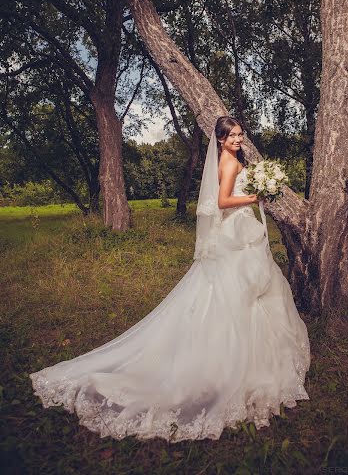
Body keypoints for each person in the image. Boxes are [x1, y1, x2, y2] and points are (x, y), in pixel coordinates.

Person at [30, 116, 310, 443]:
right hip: (237, 233)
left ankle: (251, 358)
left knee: (249, 295)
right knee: (239, 296)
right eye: (232, 135)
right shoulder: (229, 163)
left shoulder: (231, 159)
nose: (237, 139)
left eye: (239, 134)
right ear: (220, 140)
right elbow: (222, 202)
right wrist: (256, 196)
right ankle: (233, 365)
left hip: (239, 232)